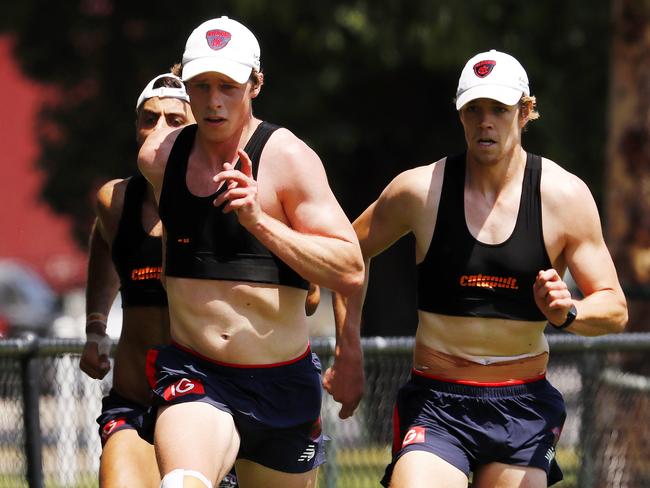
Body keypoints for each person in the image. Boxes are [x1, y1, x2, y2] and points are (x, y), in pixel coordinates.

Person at [329, 49, 628, 488]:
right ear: (460, 115)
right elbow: (346, 253)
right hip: (437, 401)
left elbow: (616, 308)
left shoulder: (565, 197)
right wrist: (348, 350)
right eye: (474, 109)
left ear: (525, 112)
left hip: (522, 405)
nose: (485, 121)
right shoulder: (419, 191)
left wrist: (569, 312)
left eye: (499, 110)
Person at [137, 16, 364, 488]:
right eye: (200, 86)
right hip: (196, 375)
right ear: (185, 85)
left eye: (228, 86)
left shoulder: (288, 158)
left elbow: (350, 268)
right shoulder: (159, 159)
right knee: (183, 482)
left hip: (282, 386)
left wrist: (259, 221)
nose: (213, 101)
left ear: (256, 84)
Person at [79, 72, 195, 487]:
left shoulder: (227, 204)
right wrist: (95, 326)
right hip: (134, 403)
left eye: (175, 120)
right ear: (136, 128)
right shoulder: (116, 202)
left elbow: (307, 294)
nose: (160, 129)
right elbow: (104, 242)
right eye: (150, 118)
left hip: (209, 407)